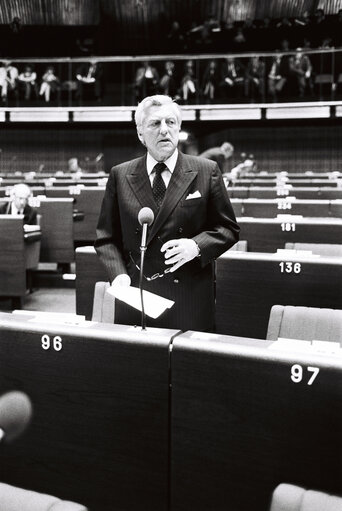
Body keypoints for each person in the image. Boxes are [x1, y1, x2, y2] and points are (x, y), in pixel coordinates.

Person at [95, 94, 239, 332]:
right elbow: (106, 238)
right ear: (141, 133)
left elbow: (228, 228)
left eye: (170, 123)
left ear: (179, 128)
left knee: (189, 367)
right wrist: (118, 275)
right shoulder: (120, 175)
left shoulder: (206, 170)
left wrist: (196, 246)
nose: (164, 130)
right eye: (155, 124)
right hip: (136, 296)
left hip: (190, 297)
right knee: (139, 366)